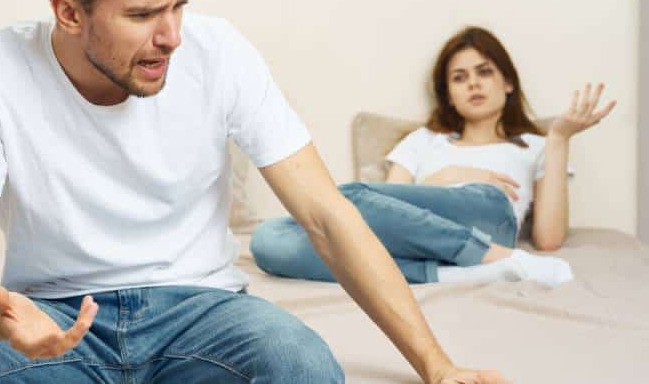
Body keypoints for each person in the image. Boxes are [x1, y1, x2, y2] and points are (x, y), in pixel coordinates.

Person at [0, 0, 507, 384]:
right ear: (69, 12)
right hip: (57, 317)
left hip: (203, 313)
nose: (172, 36)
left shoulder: (220, 52)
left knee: (302, 364)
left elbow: (326, 216)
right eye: (142, 14)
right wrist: (7, 320)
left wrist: (437, 365)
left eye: (178, 4)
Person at [251, 26, 616, 287]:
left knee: (348, 196)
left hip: (487, 215)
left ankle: (497, 255)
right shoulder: (422, 141)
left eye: (484, 72)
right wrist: (445, 175)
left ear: (508, 83)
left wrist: (559, 138)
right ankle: (452, 272)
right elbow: (382, 209)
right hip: (414, 235)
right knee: (268, 241)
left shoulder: (535, 146)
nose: (473, 83)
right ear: (449, 95)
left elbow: (549, 239)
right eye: (460, 78)